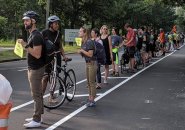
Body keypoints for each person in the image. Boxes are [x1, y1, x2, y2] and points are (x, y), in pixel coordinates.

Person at [18, 11, 45, 128]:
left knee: (36, 95)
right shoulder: (32, 34)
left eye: (27, 20)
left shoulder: (37, 35)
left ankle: (36, 119)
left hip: (36, 69)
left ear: (33, 21)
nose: (25, 22)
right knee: (37, 94)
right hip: (32, 68)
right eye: (24, 20)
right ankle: (39, 116)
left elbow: (37, 54)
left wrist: (25, 45)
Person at [41, 15, 68, 96]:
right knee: (45, 77)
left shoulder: (59, 34)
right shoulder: (44, 33)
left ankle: (51, 96)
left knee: (54, 77)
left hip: (57, 57)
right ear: (50, 24)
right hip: (47, 58)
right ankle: (41, 97)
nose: (57, 25)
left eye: (57, 24)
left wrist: (64, 56)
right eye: (55, 23)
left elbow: (60, 47)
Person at [78, 27, 97, 107]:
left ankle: (92, 100)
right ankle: (90, 99)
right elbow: (85, 55)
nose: (79, 33)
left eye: (80, 31)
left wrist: (82, 51)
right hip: (88, 64)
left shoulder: (89, 42)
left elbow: (90, 54)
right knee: (88, 83)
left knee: (92, 83)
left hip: (92, 64)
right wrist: (81, 52)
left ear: (85, 33)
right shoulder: (84, 42)